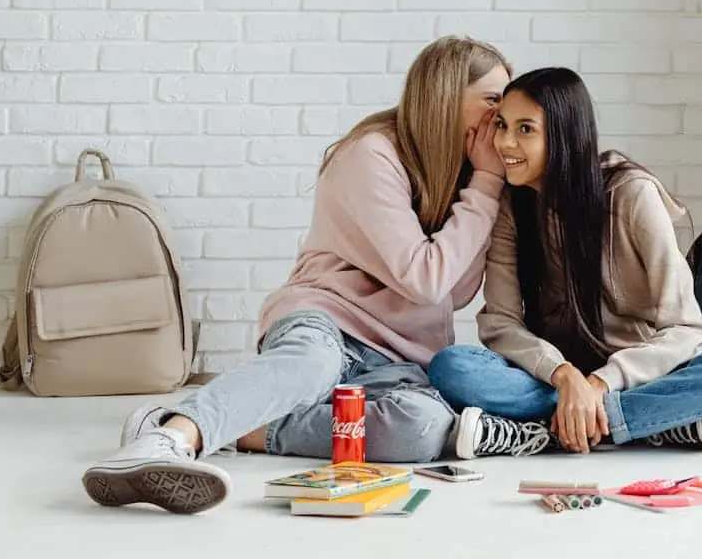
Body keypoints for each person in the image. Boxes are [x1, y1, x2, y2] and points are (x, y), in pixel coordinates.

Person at [81, 36, 535, 515]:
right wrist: (485, 186)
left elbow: (454, 291)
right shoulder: (372, 154)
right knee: (312, 365)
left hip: (397, 356)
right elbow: (424, 281)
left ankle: (244, 427)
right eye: (492, 102)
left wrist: (482, 188)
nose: (499, 122)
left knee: (421, 427)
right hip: (326, 321)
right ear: (446, 96)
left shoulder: (470, 179)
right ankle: (171, 438)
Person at [427, 67, 702, 458]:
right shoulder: (513, 206)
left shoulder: (630, 194)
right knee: (451, 366)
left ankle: (544, 430)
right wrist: (563, 376)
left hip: (637, 376)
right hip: (554, 378)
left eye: (525, 129)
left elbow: (686, 329)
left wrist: (600, 384)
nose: (505, 142)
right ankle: (654, 423)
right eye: (503, 126)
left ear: (564, 134)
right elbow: (500, 323)